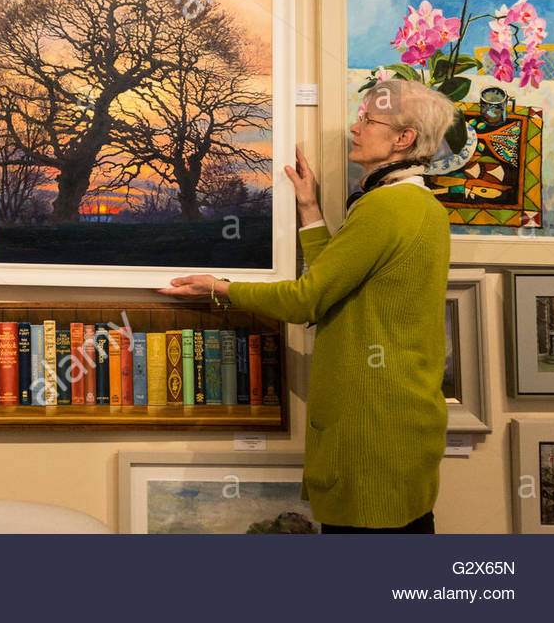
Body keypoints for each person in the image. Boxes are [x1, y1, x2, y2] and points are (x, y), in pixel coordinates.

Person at [159, 79, 458, 533]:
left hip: (372, 429)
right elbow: (331, 290)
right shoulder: (419, 206)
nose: (355, 128)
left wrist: (221, 287)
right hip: (397, 426)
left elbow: (305, 300)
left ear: (404, 138)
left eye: (368, 120)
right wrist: (309, 206)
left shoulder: (388, 208)